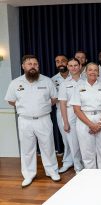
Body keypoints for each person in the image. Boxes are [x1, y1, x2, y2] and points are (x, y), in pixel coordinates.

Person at [5, 55, 60, 187]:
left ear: (38, 66)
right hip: (25, 121)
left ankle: (52, 171)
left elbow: (54, 98)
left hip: (44, 119)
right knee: (27, 149)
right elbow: (11, 100)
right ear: (23, 66)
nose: (33, 66)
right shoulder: (15, 83)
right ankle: (29, 174)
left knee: (48, 147)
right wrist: (26, 108)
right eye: (29, 64)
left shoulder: (47, 81)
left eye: (35, 64)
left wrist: (42, 107)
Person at [70, 62, 101, 169]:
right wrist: (91, 125)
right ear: (85, 72)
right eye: (90, 70)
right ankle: (90, 176)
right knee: (87, 151)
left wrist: (99, 124)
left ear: (98, 73)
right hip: (84, 120)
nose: (93, 72)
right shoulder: (78, 87)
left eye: (95, 70)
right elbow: (76, 110)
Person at [58, 58, 84, 174]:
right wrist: (65, 122)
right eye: (71, 65)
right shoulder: (64, 84)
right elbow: (62, 104)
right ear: (68, 67)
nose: (73, 68)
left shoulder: (86, 81)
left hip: (84, 113)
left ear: (80, 66)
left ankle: (87, 165)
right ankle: (78, 167)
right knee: (73, 143)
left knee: (84, 141)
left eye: (75, 65)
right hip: (70, 113)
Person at [51, 54, 73, 173]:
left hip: (77, 111)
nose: (60, 63)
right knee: (66, 139)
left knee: (79, 139)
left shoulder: (76, 76)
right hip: (61, 111)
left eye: (63, 61)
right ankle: (68, 161)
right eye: (57, 61)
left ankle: (80, 161)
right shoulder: (53, 80)